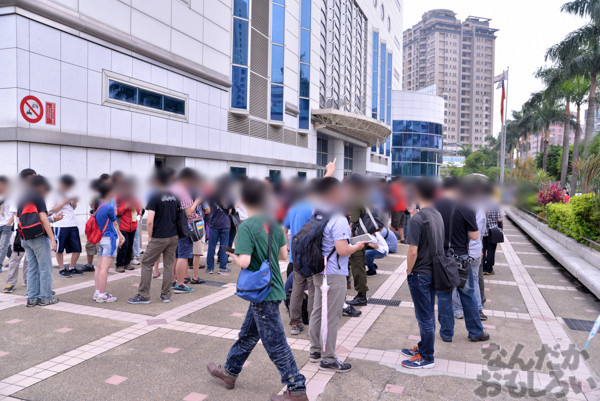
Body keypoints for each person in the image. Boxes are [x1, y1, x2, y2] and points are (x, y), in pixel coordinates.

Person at [207, 179, 308, 401]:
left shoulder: (247, 226)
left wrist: (233, 255)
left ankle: (297, 388)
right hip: (272, 287)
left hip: (262, 292)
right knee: (248, 334)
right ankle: (230, 372)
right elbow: (283, 255)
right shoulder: (273, 222)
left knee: (275, 343)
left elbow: (244, 262)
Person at [308, 177, 366, 373]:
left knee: (317, 311)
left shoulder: (317, 212)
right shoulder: (339, 218)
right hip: (333, 273)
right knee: (331, 317)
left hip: (317, 269)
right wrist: (356, 246)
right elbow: (342, 250)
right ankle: (329, 358)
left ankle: (315, 351)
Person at [434, 177, 489, 343]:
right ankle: (475, 332)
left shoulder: (436, 205)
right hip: (461, 258)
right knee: (468, 295)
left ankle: (446, 333)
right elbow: (474, 235)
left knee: (444, 296)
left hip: (441, 257)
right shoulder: (465, 206)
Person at [401, 177, 444, 369]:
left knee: (424, 316)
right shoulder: (437, 215)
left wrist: (409, 271)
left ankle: (427, 357)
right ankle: (423, 347)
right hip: (433, 271)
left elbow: (413, 251)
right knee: (427, 314)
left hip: (420, 273)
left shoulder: (419, 219)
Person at [128, 168, 179, 304]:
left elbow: (149, 220)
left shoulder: (155, 196)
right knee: (169, 264)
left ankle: (144, 295)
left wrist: (150, 236)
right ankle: (166, 295)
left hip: (159, 236)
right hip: (173, 235)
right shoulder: (174, 196)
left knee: (147, 263)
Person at [17, 175, 59, 307]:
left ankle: (32, 298)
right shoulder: (37, 197)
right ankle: (45, 298)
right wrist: (53, 239)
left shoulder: (21, 197)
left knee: (32, 269)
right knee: (45, 268)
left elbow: (19, 220)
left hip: (25, 238)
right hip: (39, 238)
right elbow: (43, 219)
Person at [452, 181, 487, 321]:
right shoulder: (481, 210)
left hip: (463, 252)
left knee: (456, 281)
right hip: (476, 250)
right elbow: (481, 233)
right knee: (474, 281)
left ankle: (458, 310)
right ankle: (478, 308)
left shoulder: (461, 209)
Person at [171, 168, 203, 293]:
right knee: (183, 256)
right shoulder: (183, 192)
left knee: (175, 256)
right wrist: (196, 202)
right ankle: (180, 284)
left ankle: (173, 280)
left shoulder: (172, 189)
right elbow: (188, 211)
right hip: (184, 229)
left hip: (174, 227)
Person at [92, 182, 124, 303]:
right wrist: (121, 236)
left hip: (100, 239)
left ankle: (97, 292)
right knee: (104, 268)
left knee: (99, 267)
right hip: (109, 239)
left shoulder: (97, 206)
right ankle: (102, 294)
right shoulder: (108, 207)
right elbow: (115, 223)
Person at [50, 174, 82, 278]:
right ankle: (62, 268)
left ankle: (72, 267)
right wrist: (64, 201)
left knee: (77, 248)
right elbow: (51, 210)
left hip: (72, 224)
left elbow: (73, 208)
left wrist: (74, 202)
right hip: (60, 225)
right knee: (59, 249)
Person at [346, 174, 370, 307]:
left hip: (358, 236)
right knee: (359, 263)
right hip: (366, 234)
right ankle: (361, 293)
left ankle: (362, 295)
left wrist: (348, 239)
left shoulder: (356, 198)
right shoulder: (366, 196)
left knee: (357, 264)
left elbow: (353, 221)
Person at [206, 177, 234, 274]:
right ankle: (223, 267)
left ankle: (210, 268)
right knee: (224, 246)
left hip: (214, 223)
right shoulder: (229, 195)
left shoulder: (212, 194)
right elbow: (230, 211)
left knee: (211, 246)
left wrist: (214, 214)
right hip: (225, 223)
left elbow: (208, 210)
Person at [115, 180, 141, 273]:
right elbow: (116, 211)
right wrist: (125, 206)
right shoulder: (118, 197)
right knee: (124, 245)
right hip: (123, 225)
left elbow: (139, 210)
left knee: (130, 245)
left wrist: (135, 207)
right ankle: (119, 264)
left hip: (133, 225)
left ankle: (127, 263)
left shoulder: (134, 197)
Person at [483, 184, 502, 276]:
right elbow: (499, 219)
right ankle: (489, 269)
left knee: (483, 249)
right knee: (491, 250)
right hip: (493, 231)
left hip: (483, 231)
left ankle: (482, 268)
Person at [0, 176, 14, 271]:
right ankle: (11, 257)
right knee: (5, 244)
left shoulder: (11, 197)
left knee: (2, 246)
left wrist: (9, 223)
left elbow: (16, 212)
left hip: (6, 225)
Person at [389, 176, 407, 243]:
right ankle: (390, 239)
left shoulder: (401, 187)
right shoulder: (393, 186)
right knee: (394, 225)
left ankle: (402, 239)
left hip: (402, 208)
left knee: (401, 225)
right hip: (396, 209)